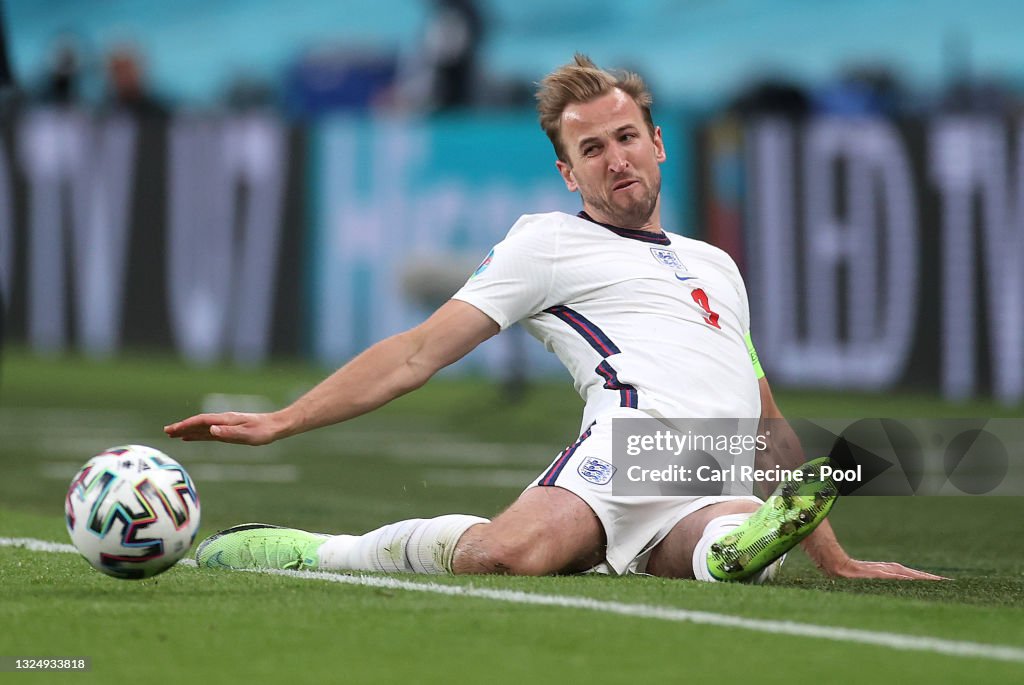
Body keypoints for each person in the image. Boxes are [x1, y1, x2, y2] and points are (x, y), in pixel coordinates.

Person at [165, 55, 943, 583]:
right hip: (634, 448)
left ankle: (739, 544)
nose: (617, 159)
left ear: (659, 143)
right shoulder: (546, 243)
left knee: (733, 539)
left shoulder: (716, 264)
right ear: (569, 171)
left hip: (715, 466)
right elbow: (417, 352)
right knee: (507, 557)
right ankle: (321, 552)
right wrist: (283, 421)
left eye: (628, 137)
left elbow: (765, 415)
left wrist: (835, 560)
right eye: (593, 148)